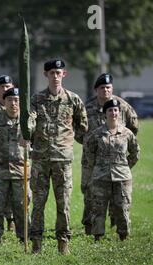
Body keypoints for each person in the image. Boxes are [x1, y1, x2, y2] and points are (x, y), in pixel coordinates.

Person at [27, 59, 88, 254]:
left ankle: (63, 243)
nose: (55, 76)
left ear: (64, 74)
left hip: (63, 160)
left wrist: (68, 141)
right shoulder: (36, 99)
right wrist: (27, 132)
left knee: (63, 205)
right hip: (40, 161)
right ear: (46, 75)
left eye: (58, 72)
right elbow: (30, 121)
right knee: (38, 204)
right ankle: (36, 243)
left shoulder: (73, 99)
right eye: (51, 72)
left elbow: (83, 126)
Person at [79, 73, 139, 235]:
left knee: (118, 194)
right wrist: (89, 144)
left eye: (108, 87)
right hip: (90, 159)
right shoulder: (88, 107)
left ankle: (116, 223)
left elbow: (133, 128)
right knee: (90, 192)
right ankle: (89, 226)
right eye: (102, 88)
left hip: (116, 160)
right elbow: (78, 130)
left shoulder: (123, 106)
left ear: (112, 88)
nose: (105, 90)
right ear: (96, 90)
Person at [0, 87, 32, 244]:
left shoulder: (28, 122)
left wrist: (30, 145)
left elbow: (38, 139)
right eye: (10, 100)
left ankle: (24, 237)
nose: (14, 103)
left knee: (22, 206)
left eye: (17, 100)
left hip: (21, 171)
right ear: (4, 101)